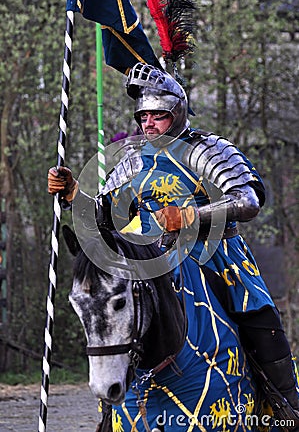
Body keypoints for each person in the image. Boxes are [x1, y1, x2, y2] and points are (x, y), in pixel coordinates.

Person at [48, 63, 299, 431]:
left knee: (257, 315)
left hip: (212, 255)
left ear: (177, 113)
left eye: (157, 115)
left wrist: (190, 216)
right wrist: (74, 194)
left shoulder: (208, 149)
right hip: (151, 256)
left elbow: (247, 200)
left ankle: (284, 404)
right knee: (122, 315)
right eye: (143, 116)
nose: (148, 123)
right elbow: (104, 215)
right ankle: (112, 409)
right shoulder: (132, 161)